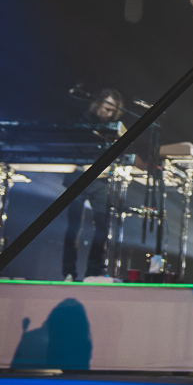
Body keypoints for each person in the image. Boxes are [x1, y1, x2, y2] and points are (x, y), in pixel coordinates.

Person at [62, 88, 123, 283]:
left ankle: (92, 272)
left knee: (103, 227)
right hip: (79, 178)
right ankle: (69, 273)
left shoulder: (113, 127)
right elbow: (73, 145)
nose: (109, 113)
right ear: (98, 105)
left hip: (101, 181)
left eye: (113, 111)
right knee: (73, 227)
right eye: (107, 109)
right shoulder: (81, 120)